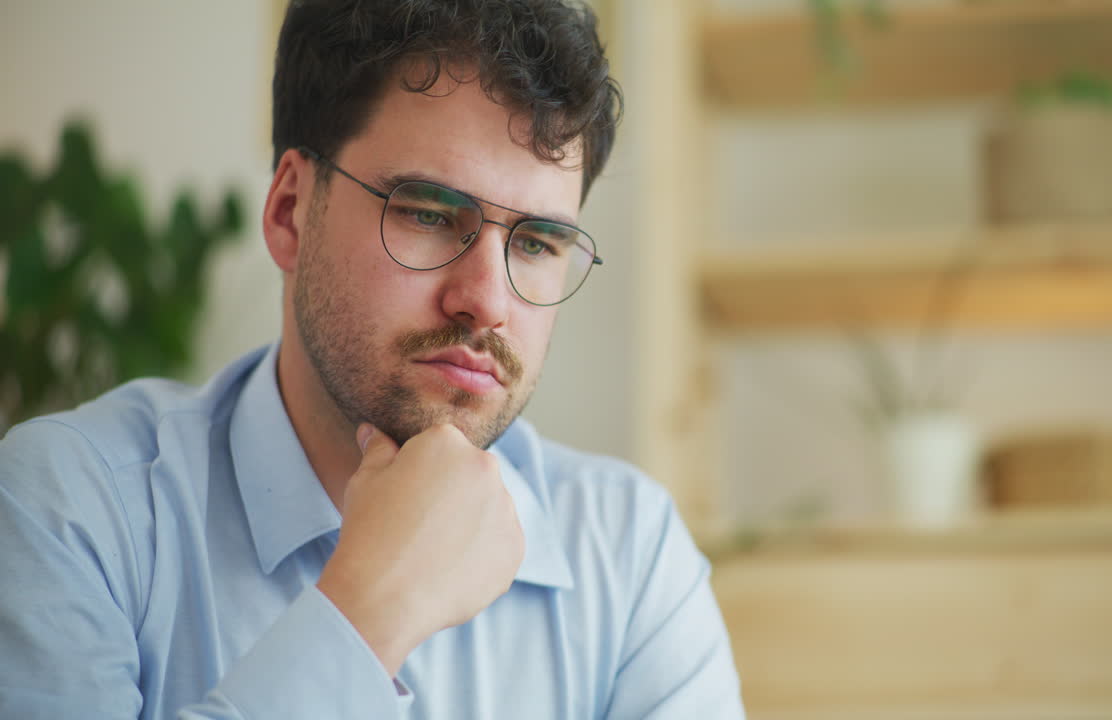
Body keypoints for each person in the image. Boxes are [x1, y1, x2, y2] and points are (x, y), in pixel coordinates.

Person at [0, 1, 744, 717]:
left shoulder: (628, 554)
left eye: (537, 243)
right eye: (428, 213)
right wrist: (367, 614)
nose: (487, 301)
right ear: (290, 211)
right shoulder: (67, 513)